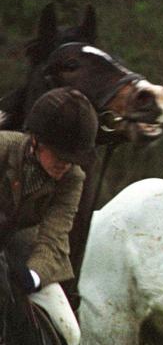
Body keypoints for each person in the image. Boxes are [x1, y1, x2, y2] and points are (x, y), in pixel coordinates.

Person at [0, 87, 98, 345]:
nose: (65, 164)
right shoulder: (3, 147)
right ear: (36, 140)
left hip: (25, 253)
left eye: (72, 159)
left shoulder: (73, 178)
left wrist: (32, 276)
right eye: (60, 155)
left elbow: (55, 237)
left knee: (72, 334)